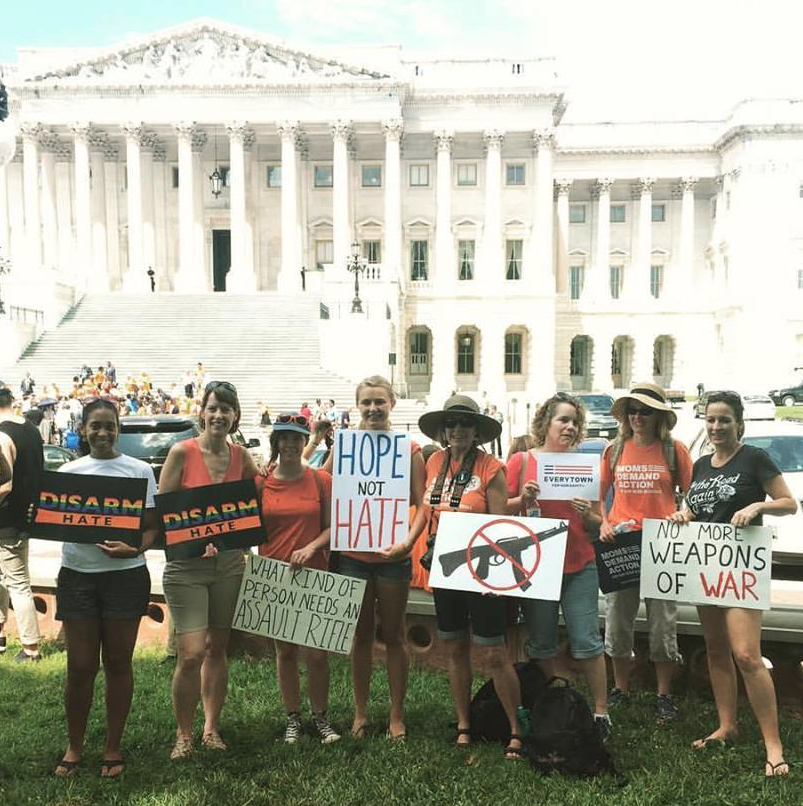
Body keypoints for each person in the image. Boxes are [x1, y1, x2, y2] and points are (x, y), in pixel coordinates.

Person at [668, 391, 796, 777]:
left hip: (740, 571)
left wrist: (758, 505)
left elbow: (789, 503)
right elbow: (697, 507)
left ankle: (773, 746)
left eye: (724, 420)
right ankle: (727, 726)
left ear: (739, 423)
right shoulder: (703, 464)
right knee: (715, 650)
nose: (716, 426)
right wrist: (682, 515)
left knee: (746, 655)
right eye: (710, 419)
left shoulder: (754, 459)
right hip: (706, 567)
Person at [413, 394, 525, 758]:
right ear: (444, 430)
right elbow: (425, 512)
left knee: (493, 652)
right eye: (452, 424)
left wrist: (498, 580)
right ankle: (464, 724)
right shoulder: (433, 462)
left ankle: (515, 729)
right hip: (446, 568)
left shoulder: (492, 468)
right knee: (455, 647)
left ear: (476, 430)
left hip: (481, 570)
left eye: (464, 423)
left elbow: (500, 525)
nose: (457, 429)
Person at [53, 399, 158, 778]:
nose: (102, 432)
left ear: (119, 429)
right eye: (95, 426)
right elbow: (55, 519)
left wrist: (136, 547)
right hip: (78, 574)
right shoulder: (68, 471)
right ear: (83, 429)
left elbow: (151, 527)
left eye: (109, 426)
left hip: (126, 576)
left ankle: (113, 747)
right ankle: (75, 746)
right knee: (80, 666)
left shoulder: (140, 470)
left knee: (118, 662)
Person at [159, 381, 260, 760]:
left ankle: (210, 728)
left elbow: (253, 512)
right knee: (190, 653)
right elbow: (166, 514)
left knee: (218, 649)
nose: (219, 415)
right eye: (213, 408)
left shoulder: (242, 459)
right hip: (186, 568)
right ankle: (183, 734)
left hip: (229, 566)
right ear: (202, 411)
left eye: (227, 409)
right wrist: (194, 539)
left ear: (236, 416)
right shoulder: (181, 453)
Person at [324, 375, 427, 741]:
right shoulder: (344, 445)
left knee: (396, 634)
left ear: (392, 404)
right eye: (366, 402)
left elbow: (421, 506)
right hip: (353, 555)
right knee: (361, 636)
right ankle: (361, 712)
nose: (372, 409)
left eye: (379, 402)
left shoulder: (410, 449)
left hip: (394, 556)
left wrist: (407, 544)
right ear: (357, 406)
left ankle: (397, 714)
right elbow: (321, 485)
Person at [505, 393, 611, 741]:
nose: (569, 427)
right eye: (562, 420)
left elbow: (598, 525)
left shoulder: (584, 466)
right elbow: (499, 510)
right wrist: (523, 499)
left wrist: (589, 515)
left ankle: (600, 712)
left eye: (574, 422)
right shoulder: (522, 462)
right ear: (545, 423)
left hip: (579, 563)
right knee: (542, 643)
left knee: (588, 642)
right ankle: (554, 703)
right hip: (536, 565)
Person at [600, 382, 693, 721]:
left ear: (660, 416)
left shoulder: (674, 450)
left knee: (662, 623)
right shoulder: (615, 450)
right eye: (632, 411)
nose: (638, 416)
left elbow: (692, 495)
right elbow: (601, 495)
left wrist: (684, 513)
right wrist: (602, 523)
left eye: (645, 411)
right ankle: (620, 688)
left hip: (661, 544)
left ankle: (664, 694)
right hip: (623, 544)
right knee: (617, 622)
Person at [257, 413, 340, 745]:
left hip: (313, 572)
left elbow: (334, 527)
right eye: (284, 438)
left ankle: (320, 717)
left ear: (304, 441)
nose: (289, 444)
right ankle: (293, 717)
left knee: (317, 653)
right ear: (276, 442)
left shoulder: (321, 480)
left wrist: (312, 547)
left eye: (296, 438)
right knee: (285, 652)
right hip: (275, 573)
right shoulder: (261, 482)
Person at [0, 386, 44, 662]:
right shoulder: (30, 428)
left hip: (5, 519)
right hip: (25, 516)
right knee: (3, 581)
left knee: (17, 584)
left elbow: (4, 484)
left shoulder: (2, 435)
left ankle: (31, 648)